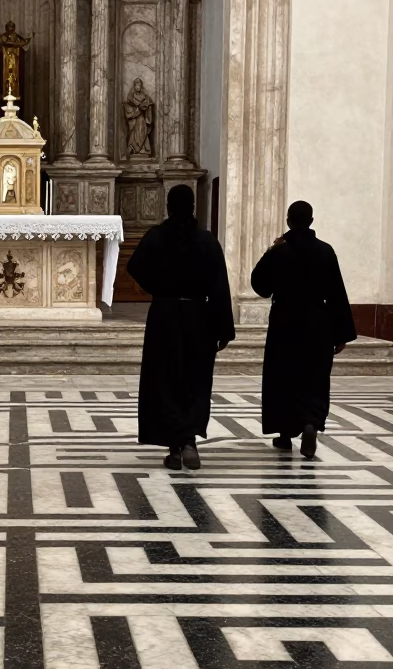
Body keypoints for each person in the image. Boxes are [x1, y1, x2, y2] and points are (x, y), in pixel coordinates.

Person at [127, 185, 235, 471]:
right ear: (193, 206)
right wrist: (224, 328)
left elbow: (135, 266)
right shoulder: (207, 241)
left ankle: (174, 447)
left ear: (169, 206)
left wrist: (158, 289)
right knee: (195, 379)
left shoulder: (156, 237)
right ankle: (189, 440)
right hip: (199, 315)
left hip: (164, 314)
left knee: (165, 378)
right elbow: (219, 285)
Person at [251, 200, 356, 460]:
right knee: (314, 377)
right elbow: (336, 293)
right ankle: (310, 423)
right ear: (311, 221)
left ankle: (285, 435)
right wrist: (341, 332)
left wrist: (269, 251)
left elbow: (260, 285)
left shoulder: (280, 251)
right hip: (318, 323)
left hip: (285, 322)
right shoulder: (325, 251)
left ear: (289, 221)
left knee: (283, 377)